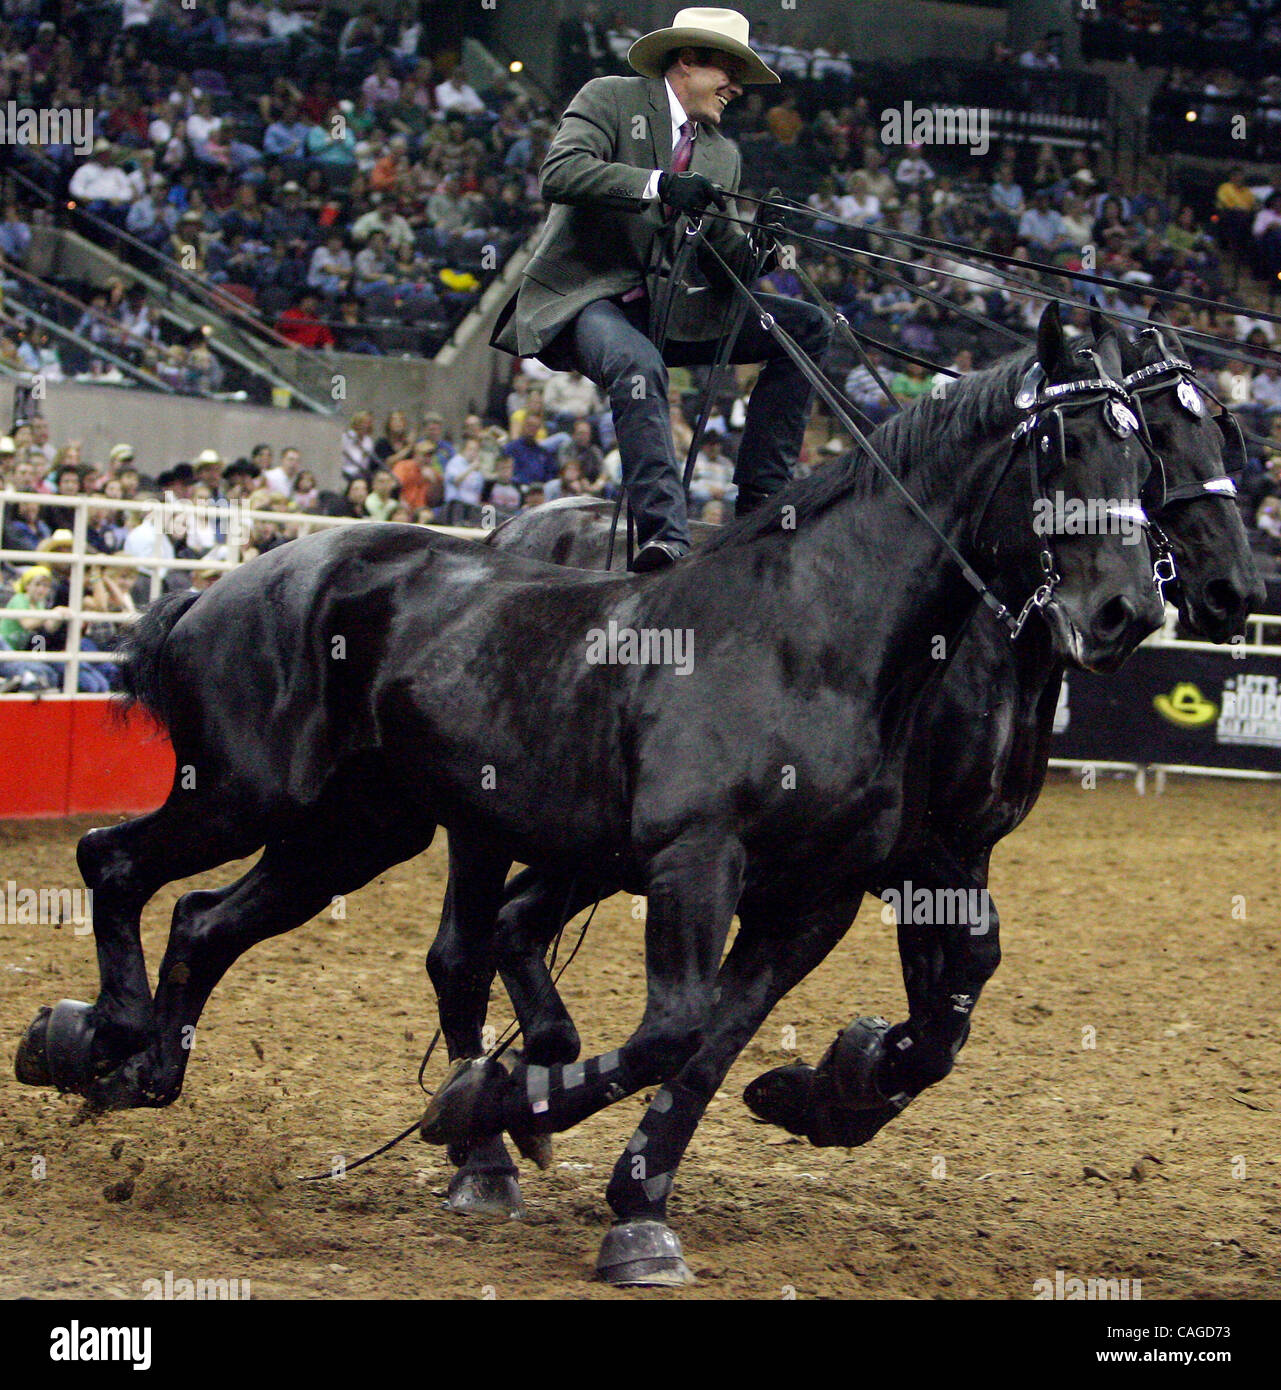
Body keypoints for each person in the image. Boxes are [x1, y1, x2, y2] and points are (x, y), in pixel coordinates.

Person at [490, 6, 831, 570]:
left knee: (806, 328)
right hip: (585, 298)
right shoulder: (611, 98)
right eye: (730, 72)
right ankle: (664, 534)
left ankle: (761, 507)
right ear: (689, 59)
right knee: (638, 364)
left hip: (666, 308)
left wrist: (764, 245)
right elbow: (561, 173)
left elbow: (725, 266)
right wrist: (660, 185)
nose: (735, 89)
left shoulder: (722, 152)